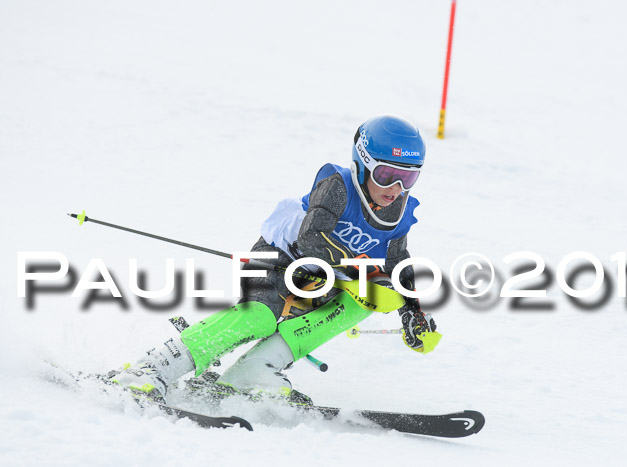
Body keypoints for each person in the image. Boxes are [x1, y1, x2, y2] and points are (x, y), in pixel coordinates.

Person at [110, 115, 440, 404]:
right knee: (261, 317)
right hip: (281, 258)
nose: (396, 187)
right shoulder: (337, 185)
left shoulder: (401, 212)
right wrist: (353, 274)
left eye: (408, 177)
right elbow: (310, 238)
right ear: (362, 163)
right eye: (386, 175)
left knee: (376, 295)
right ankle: (154, 367)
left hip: (328, 277)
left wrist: (412, 313)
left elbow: (398, 264)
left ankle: (255, 371)